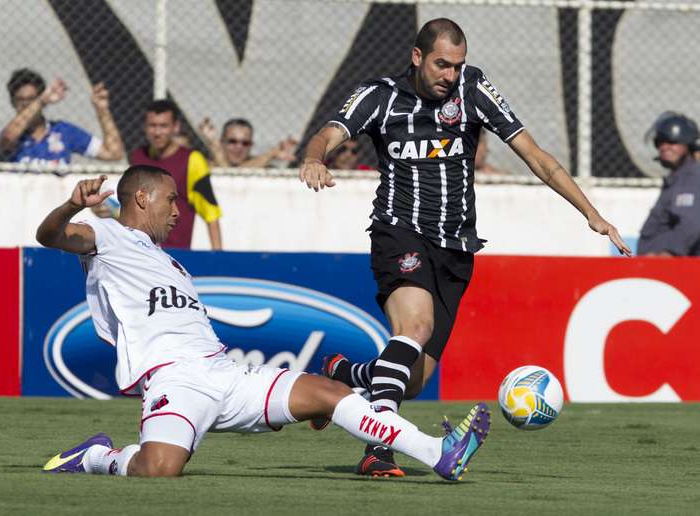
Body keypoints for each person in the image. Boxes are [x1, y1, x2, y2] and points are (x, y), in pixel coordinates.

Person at [300, 17, 631, 477]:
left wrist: (589, 212)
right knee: (414, 326)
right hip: (400, 232)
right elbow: (330, 131)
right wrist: (315, 157)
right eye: (441, 65)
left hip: (456, 249)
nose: (449, 76)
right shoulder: (380, 96)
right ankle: (379, 449)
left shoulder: (472, 89)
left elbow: (534, 153)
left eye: (457, 66)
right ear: (417, 57)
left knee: (413, 380)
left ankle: (342, 374)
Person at [36, 167, 491, 480]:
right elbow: (51, 236)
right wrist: (70, 205)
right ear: (142, 196)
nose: (178, 211)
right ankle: (96, 456)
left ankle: (438, 452)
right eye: (172, 200)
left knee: (331, 393)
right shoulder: (110, 237)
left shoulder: (172, 265)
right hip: (175, 381)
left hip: (224, 372)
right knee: (159, 470)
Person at [130, 100, 222, 250]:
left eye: (163, 126)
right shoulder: (138, 157)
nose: (157, 132)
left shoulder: (193, 160)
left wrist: (219, 259)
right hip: (139, 252)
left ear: (176, 127)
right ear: (144, 127)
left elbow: (211, 213)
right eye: (152, 126)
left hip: (175, 256)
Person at [0, 68, 124, 166]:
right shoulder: (12, 133)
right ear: (12, 102)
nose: (26, 104)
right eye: (20, 100)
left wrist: (102, 110)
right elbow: (8, 138)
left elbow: (113, 153)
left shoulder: (64, 131)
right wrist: (41, 101)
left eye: (31, 99)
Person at [637, 112, 700, 256]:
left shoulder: (692, 177)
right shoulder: (677, 178)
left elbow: (691, 224)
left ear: (688, 145)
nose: (664, 147)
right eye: (660, 142)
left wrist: (668, 254)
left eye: (672, 142)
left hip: (675, 271)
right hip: (661, 271)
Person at [198, 117, 297, 168]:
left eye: (245, 143)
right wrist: (271, 154)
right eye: (232, 141)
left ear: (251, 146)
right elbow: (230, 174)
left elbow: (234, 175)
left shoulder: (265, 169)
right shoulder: (205, 165)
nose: (239, 147)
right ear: (222, 142)